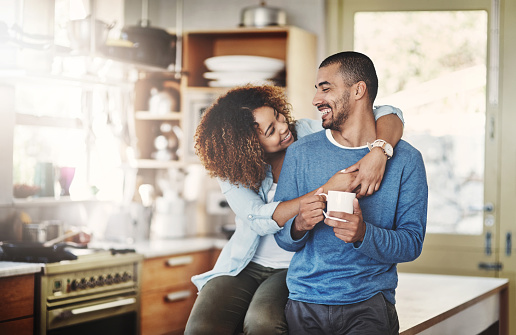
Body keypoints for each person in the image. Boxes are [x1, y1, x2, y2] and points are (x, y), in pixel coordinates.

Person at [185, 84, 405, 335]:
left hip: (295, 264)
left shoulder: (308, 132)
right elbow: (258, 217)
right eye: (270, 130)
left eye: (278, 116)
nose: (283, 128)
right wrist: (326, 189)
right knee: (200, 328)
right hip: (244, 264)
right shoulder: (232, 168)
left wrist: (379, 150)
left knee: (262, 322)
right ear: (247, 147)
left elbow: (390, 113)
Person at [273, 51, 428, 334]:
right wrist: (299, 224)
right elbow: (283, 238)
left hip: (369, 306)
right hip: (305, 303)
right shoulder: (300, 153)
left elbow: (411, 244)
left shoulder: (406, 160)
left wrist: (363, 234)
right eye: (316, 89)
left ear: (358, 90)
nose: (315, 100)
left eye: (326, 88)